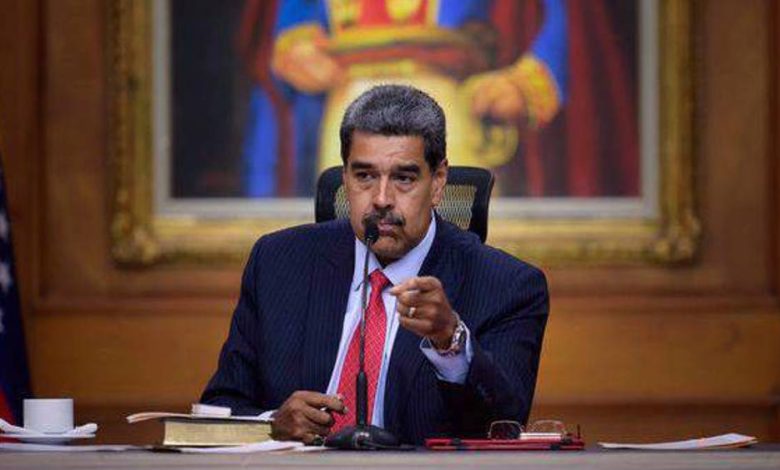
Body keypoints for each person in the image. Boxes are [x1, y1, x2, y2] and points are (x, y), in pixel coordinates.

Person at [201, 84, 549, 445]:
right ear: (345, 177)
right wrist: (272, 423)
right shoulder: (278, 263)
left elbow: (503, 426)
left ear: (438, 182)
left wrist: (451, 341)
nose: (381, 199)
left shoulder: (508, 286)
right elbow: (219, 408)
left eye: (404, 178)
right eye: (365, 176)